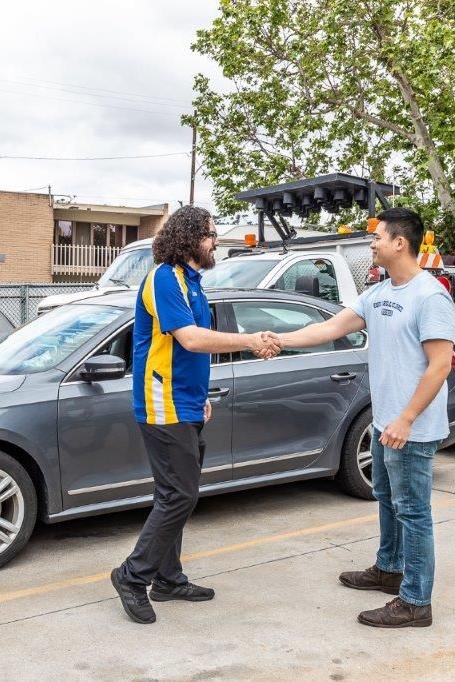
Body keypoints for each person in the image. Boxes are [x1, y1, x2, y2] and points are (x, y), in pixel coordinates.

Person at [276, 207, 455, 628]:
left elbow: (439, 366)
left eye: (377, 237)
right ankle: (389, 570)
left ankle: (415, 602)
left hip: (410, 427)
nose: (371, 244)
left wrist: (406, 419)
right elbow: (330, 328)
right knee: (388, 501)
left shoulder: (430, 296)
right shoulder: (380, 292)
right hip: (385, 422)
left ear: (400, 243)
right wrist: (276, 339)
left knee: (413, 511)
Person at [111, 205, 281, 625]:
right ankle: (132, 576)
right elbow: (190, 339)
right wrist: (249, 340)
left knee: (175, 494)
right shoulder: (164, 278)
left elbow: (188, 353)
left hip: (186, 402)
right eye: (210, 234)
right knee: (180, 495)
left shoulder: (193, 282)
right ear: (189, 237)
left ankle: (168, 579)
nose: (215, 240)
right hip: (161, 403)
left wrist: (201, 394)